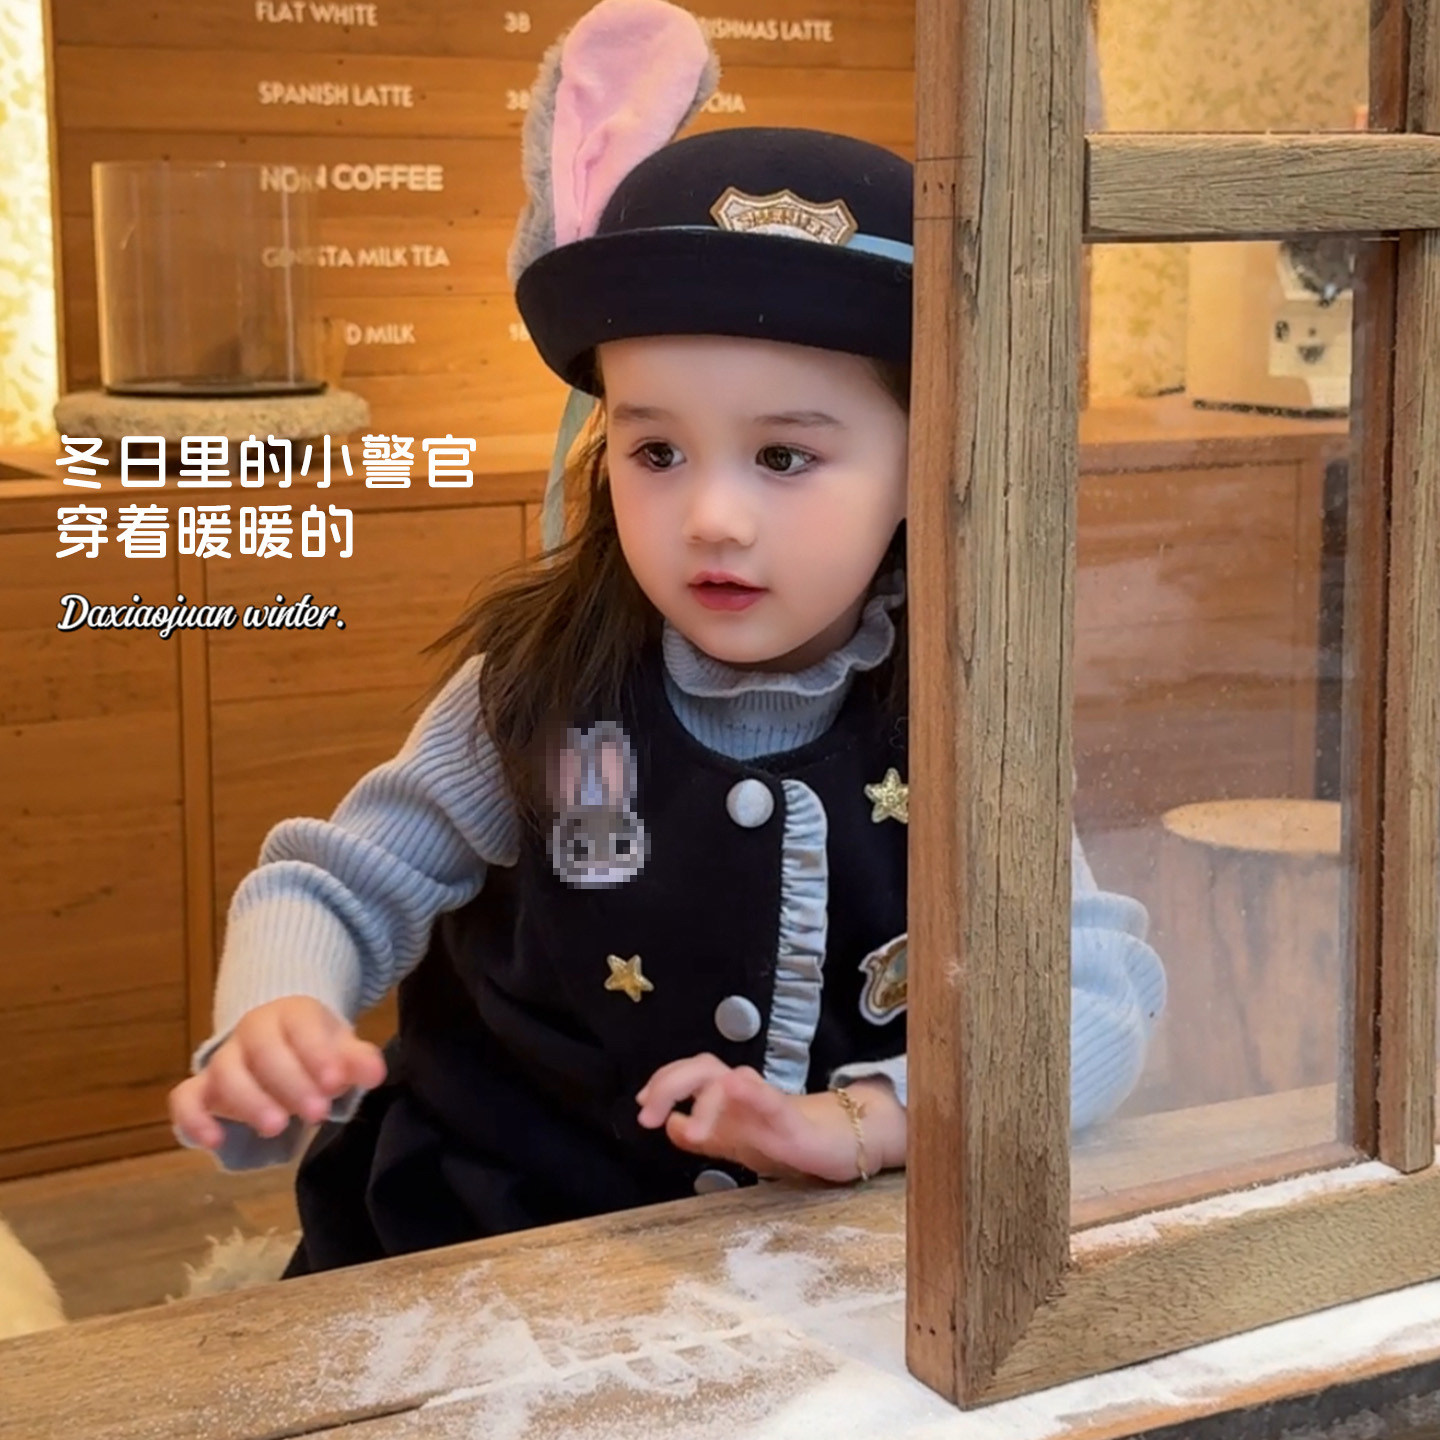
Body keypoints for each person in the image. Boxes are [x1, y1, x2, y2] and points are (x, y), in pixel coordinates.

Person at [168, 0, 1166, 1277]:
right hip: (487, 1247)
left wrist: (871, 1120)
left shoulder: (966, 707)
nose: (712, 518)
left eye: (785, 456)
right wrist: (277, 1011)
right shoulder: (531, 688)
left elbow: (1097, 988)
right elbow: (336, 882)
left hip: (821, 1268)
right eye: (655, 451)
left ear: (927, 464)